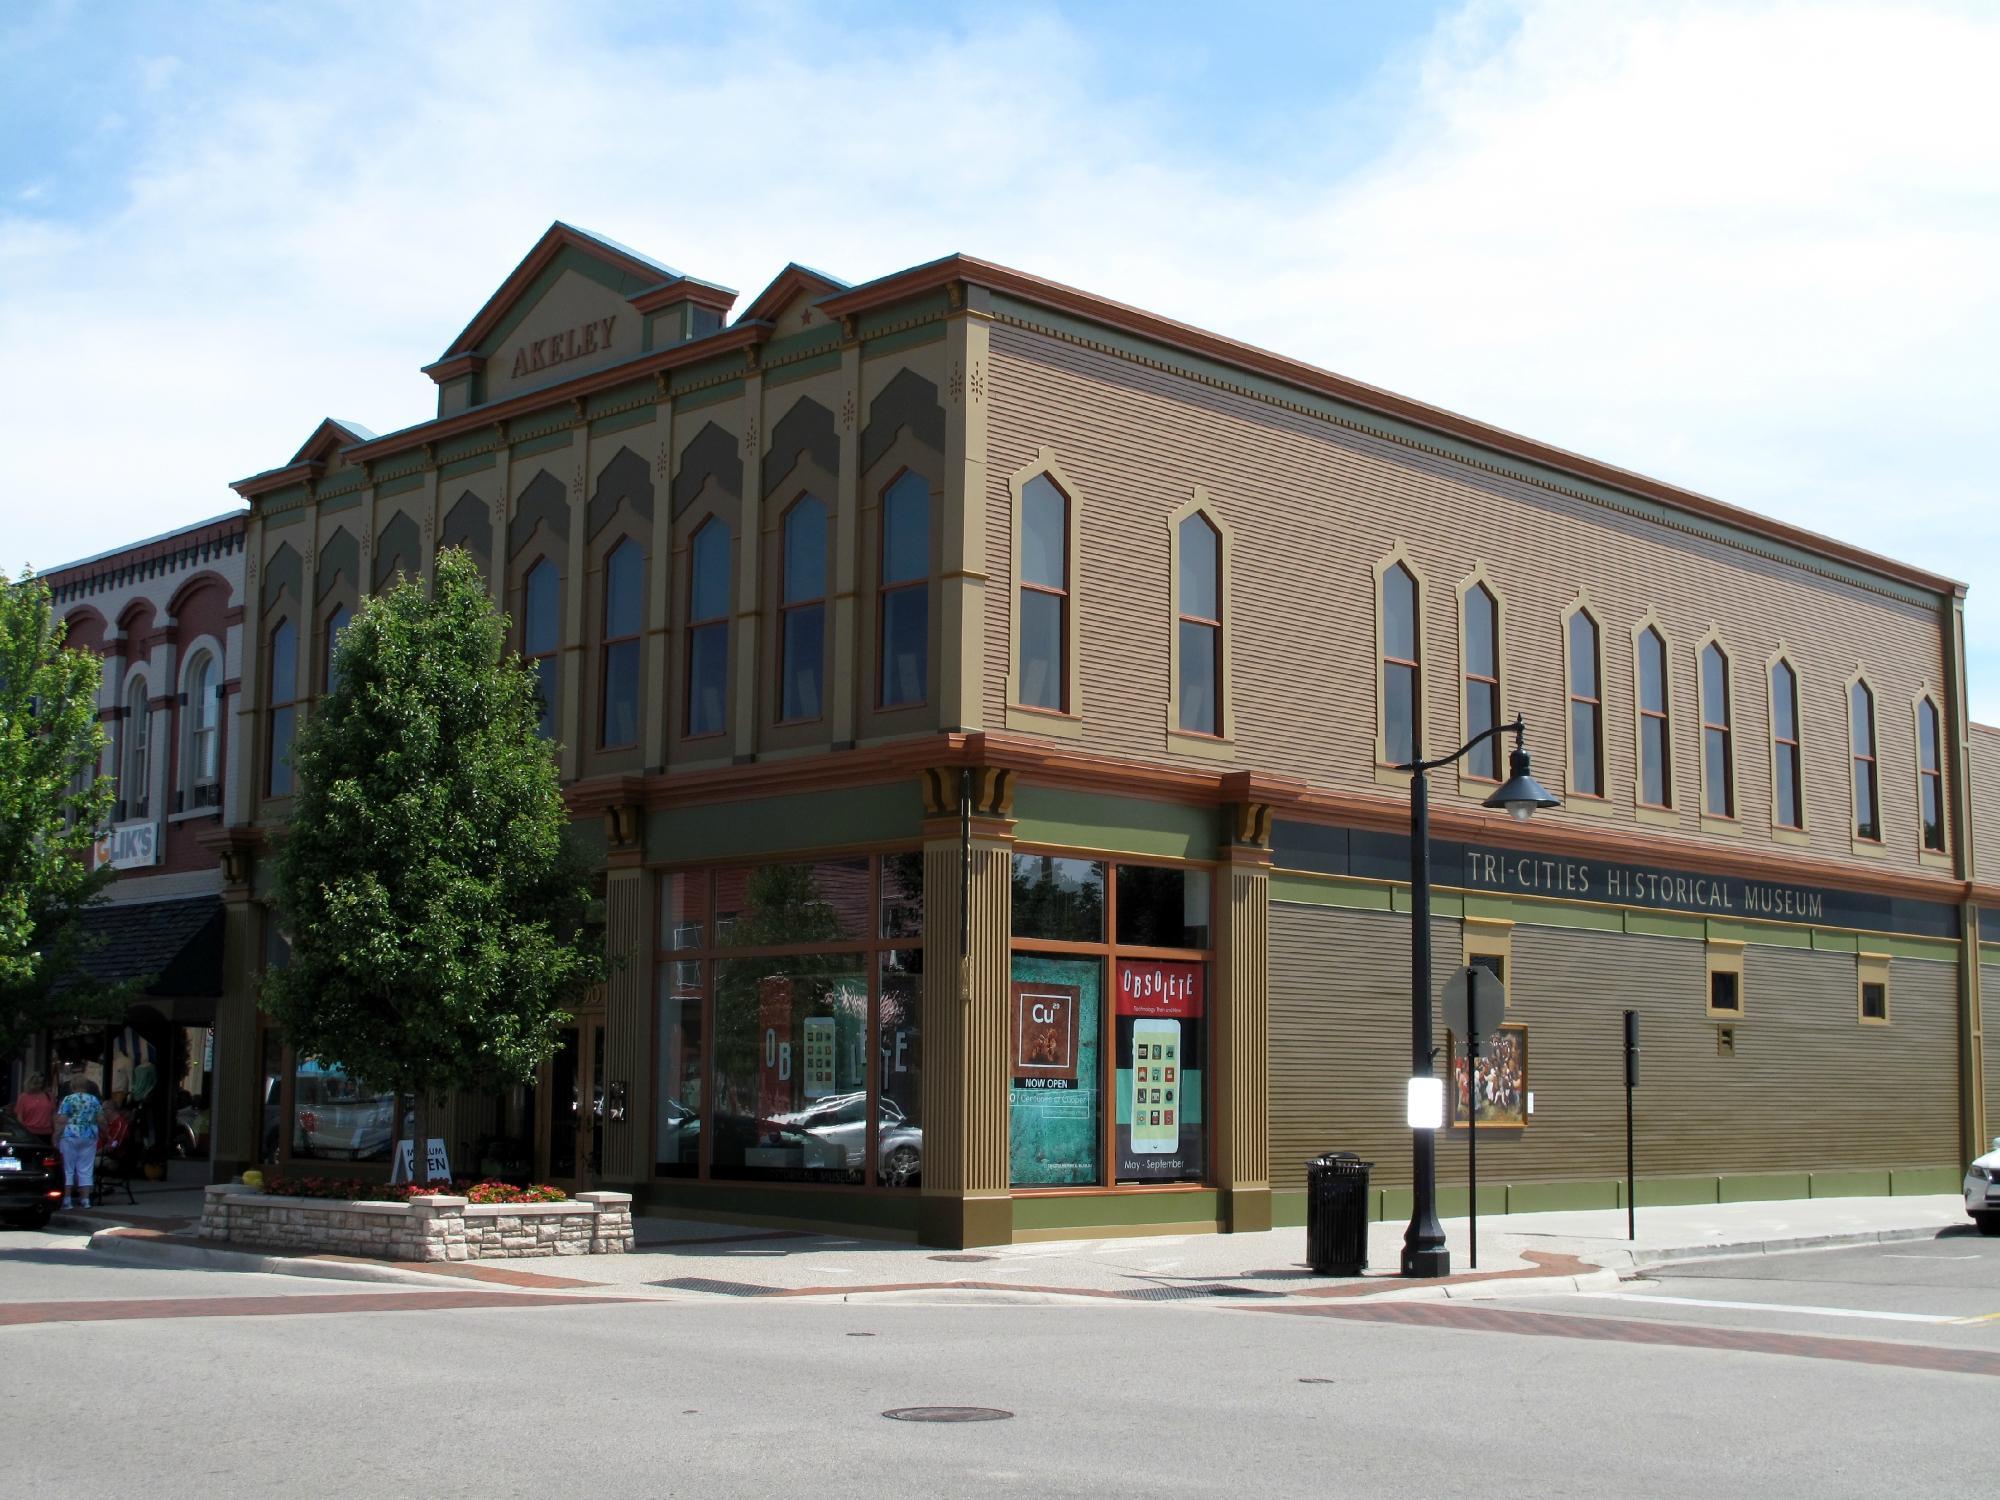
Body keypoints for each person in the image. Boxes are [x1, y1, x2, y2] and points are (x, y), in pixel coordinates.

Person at [54, 1077, 105, 1210]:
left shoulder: (68, 1099)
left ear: (72, 1086)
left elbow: (62, 1120)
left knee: (68, 1168)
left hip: (70, 1134)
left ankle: (67, 1199)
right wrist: (107, 1133)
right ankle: (85, 1200)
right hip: (89, 1135)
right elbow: (101, 1119)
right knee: (86, 1168)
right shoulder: (93, 1100)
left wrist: (56, 1136)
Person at [10, 1072, 58, 1142]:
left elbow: (53, 1114)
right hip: (29, 1133)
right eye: (36, 1083)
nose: (39, 1086)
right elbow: (20, 1117)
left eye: (41, 1083)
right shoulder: (23, 1097)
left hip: (47, 1132)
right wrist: (23, 1132)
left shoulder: (49, 1096)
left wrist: (56, 1130)